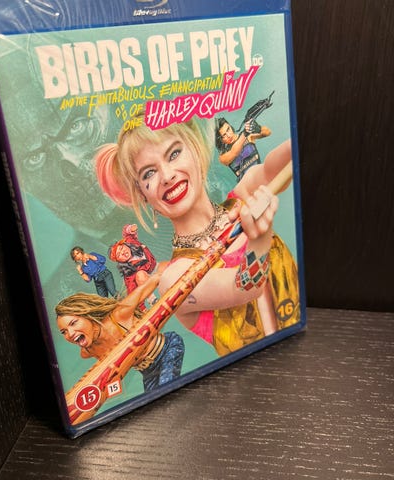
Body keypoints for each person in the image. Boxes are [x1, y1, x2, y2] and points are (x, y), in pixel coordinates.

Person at [95, 113, 300, 356]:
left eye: (174, 154)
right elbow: (247, 286)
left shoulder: (243, 195)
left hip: (300, 348)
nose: (167, 176)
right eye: (149, 173)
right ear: (142, 194)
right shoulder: (175, 278)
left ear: (195, 149)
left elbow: (276, 166)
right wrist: (259, 238)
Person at [56, 270, 185, 391]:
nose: (70, 334)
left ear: (88, 316)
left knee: (165, 390)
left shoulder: (118, 315)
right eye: (64, 332)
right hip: (147, 370)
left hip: (167, 347)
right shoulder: (87, 352)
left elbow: (154, 280)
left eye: (73, 323)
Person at [108, 224, 157, 309]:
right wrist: (142, 309)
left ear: (125, 245)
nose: (123, 252)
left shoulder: (131, 242)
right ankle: (152, 300)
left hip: (156, 267)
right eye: (119, 255)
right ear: (119, 261)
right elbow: (133, 292)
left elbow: (126, 233)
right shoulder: (129, 273)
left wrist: (130, 228)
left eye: (121, 248)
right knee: (140, 275)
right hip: (149, 280)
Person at [216, 117, 271, 181]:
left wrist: (258, 128)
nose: (229, 135)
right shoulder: (223, 157)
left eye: (228, 129)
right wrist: (245, 133)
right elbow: (234, 152)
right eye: (224, 135)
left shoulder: (248, 136)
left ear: (230, 126)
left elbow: (267, 132)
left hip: (262, 177)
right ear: (220, 140)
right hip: (248, 186)